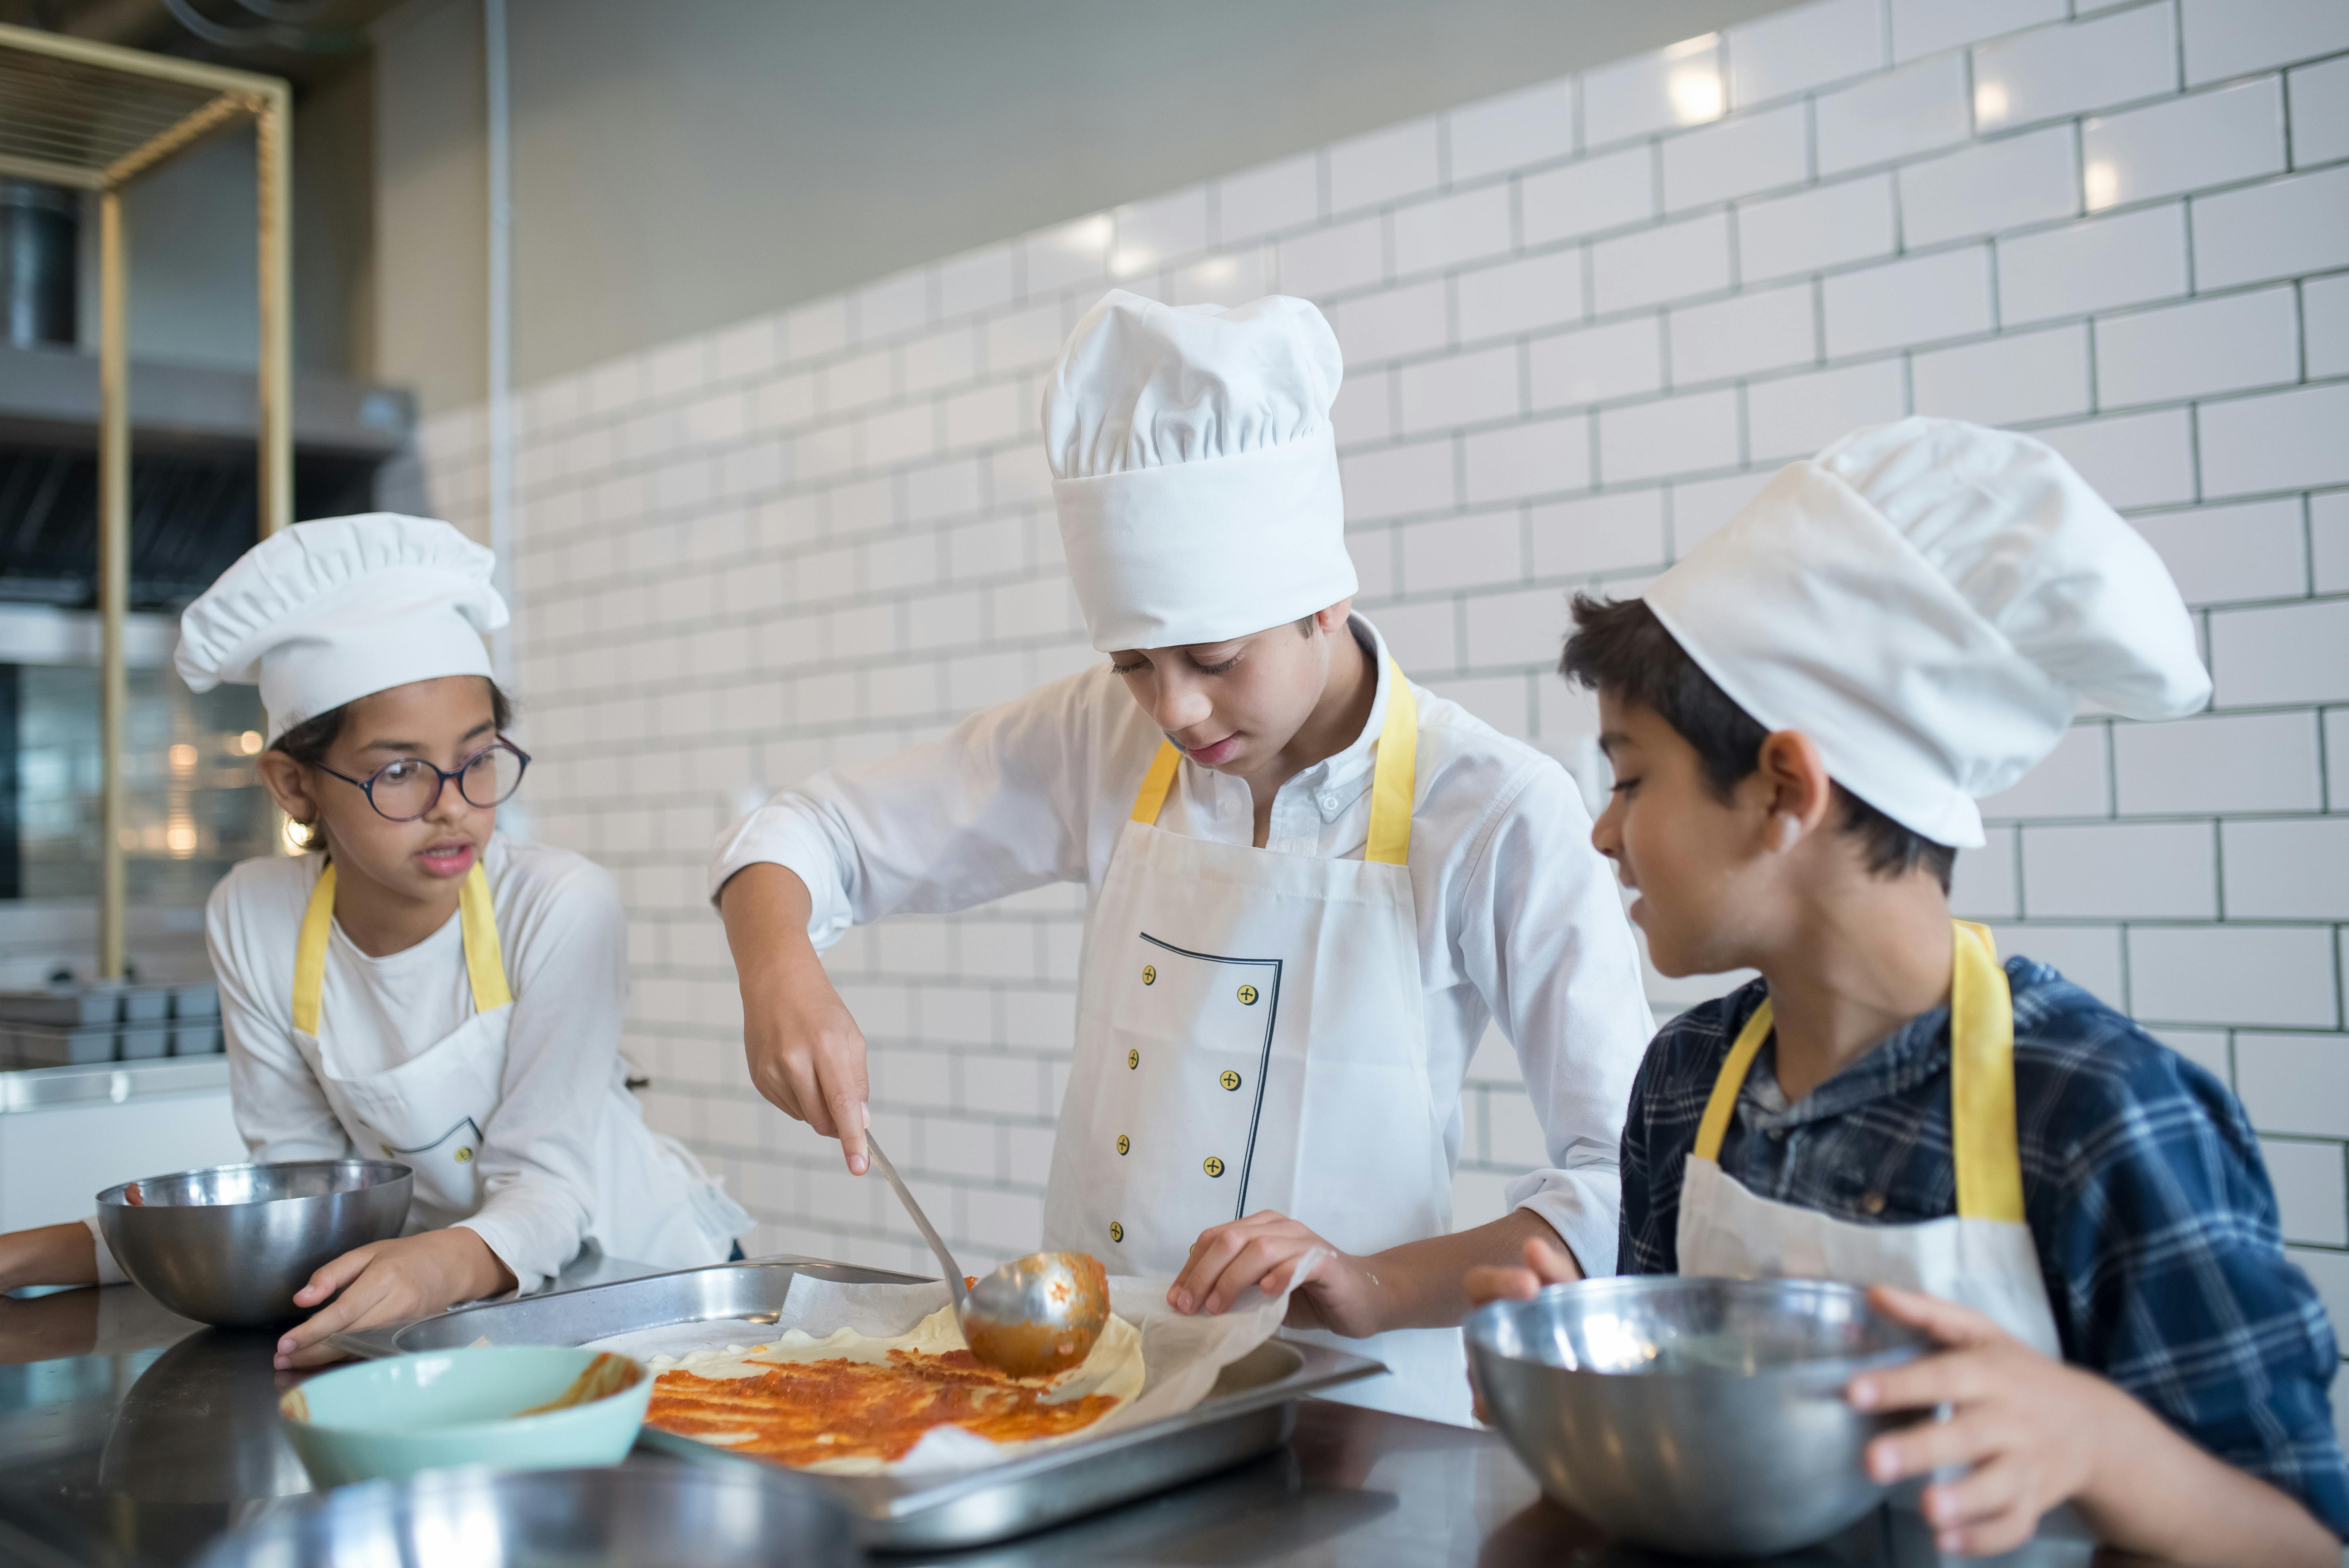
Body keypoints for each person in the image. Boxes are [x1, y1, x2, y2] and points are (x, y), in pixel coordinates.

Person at [713, 290, 1654, 1424]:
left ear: (1325, 596)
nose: (1176, 707)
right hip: (1083, 1396)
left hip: (1351, 1427)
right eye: (1135, 665)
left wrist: (1367, 1281)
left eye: (1213, 656)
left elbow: (1629, 1177)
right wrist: (779, 966)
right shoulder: (1103, 741)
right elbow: (805, 833)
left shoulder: (1496, 810)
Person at [1467, 419, 2348, 1562]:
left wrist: (2100, 1441)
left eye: (1631, 777)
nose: (1602, 829)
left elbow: (2304, 1538)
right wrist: (1575, 1402)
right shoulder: (1686, 1084)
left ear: (1787, 783)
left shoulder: (2101, 1114)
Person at [0, 514, 748, 1367]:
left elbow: (550, 1181)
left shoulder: (560, 903)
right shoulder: (253, 914)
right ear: (293, 785)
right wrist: (60, 1250)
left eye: (477, 758)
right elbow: (300, 1189)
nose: (453, 804)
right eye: (398, 769)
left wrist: (439, 1263)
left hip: (644, 1285)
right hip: (458, 1310)